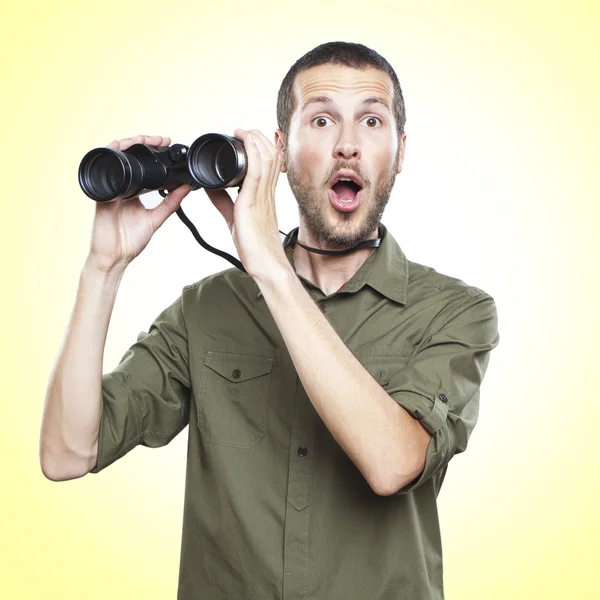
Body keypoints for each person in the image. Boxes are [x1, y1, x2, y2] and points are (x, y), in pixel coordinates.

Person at [40, 41, 499, 600]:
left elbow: (392, 463)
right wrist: (102, 267)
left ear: (400, 152)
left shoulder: (456, 311)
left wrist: (270, 268)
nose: (347, 145)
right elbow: (65, 454)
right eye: (323, 119)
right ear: (280, 150)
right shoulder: (205, 310)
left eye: (371, 121)